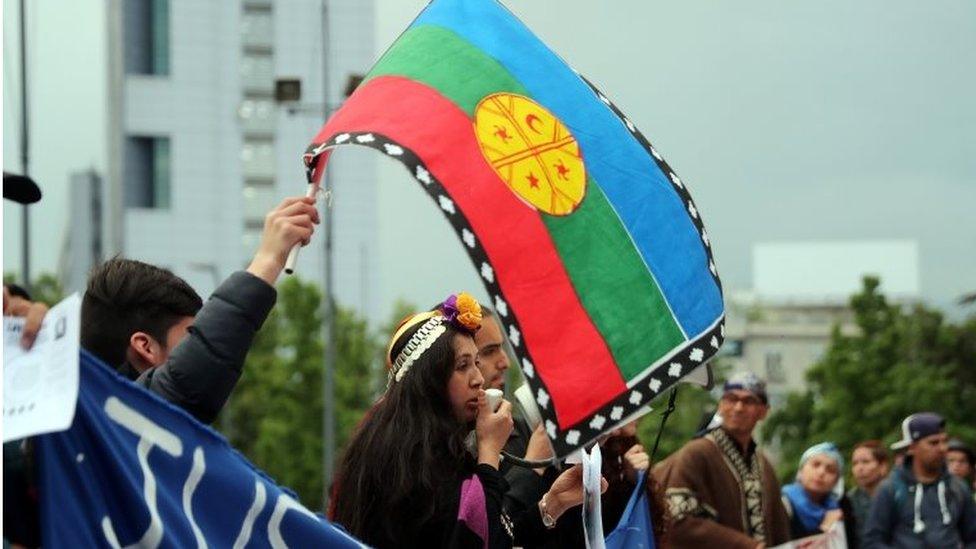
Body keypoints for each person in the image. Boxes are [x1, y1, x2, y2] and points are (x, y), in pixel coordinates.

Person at [330, 294, 600, 549]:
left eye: (476, 363)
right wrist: (489, 453)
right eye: (462, 366)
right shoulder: (407, 460)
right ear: (430, 381)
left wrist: (553, 504)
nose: (478, 379)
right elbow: (473, 539)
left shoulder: (436, 447)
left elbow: (494, 536)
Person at [80, 195, 318, 424]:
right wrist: (268, 259)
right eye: (192, 337)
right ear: (145, 347)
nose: (202, 345)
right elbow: (189, 378)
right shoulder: (121, 423)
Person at [655, 371, 791, 549]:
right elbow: (678, 521)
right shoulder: (696, 453)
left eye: (748, 401)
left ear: (763, 412)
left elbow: (780, 529)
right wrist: (746, 545)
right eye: (731, 399)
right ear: (721, 405)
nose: (738, 407)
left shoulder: (763, 464)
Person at [864, 412, 976, 548]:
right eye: (933, 443)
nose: (942, 448)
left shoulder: (957, 487)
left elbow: (972, 537)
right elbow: (873, 540)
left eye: (944, 441)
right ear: (912, 447)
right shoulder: (891, 489)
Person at [781, 443, 845, 539]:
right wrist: (824, 529)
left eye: (830, 470)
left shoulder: (839, 509)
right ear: (800, 471)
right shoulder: (783, 504)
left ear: (836, 481)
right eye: (816, 465)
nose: (821, 472)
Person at [848, 440, 890, 546]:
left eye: (866, 462)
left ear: (882, 466)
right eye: (855, 463)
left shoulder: (897, 495)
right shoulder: (849, 501)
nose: (859, 468)